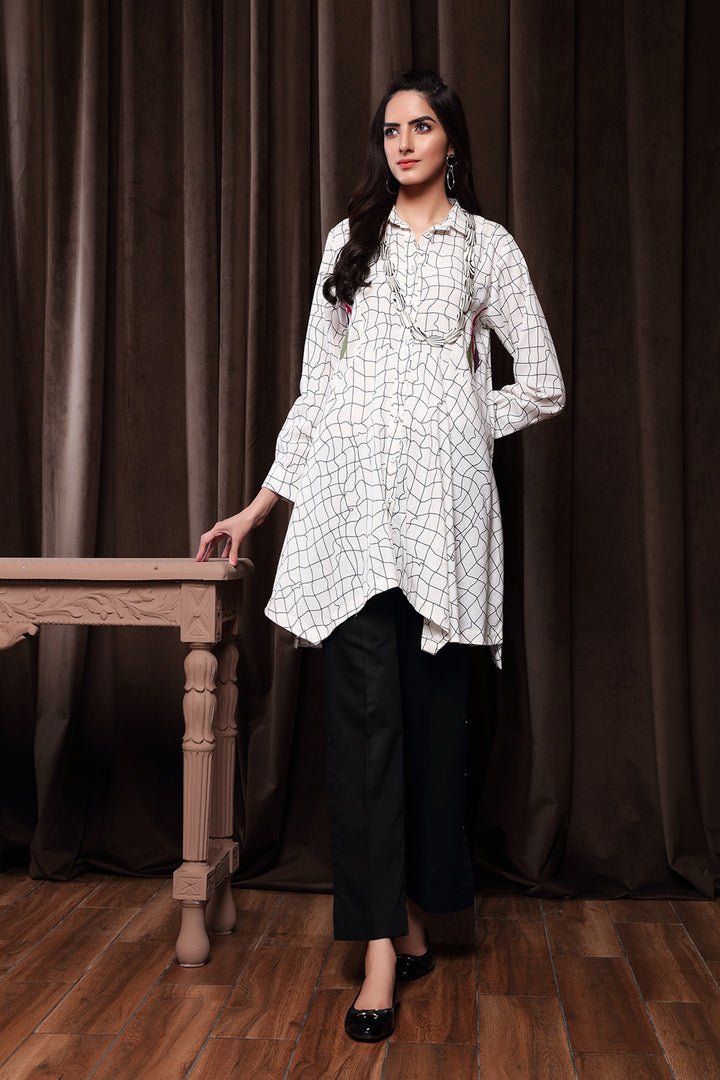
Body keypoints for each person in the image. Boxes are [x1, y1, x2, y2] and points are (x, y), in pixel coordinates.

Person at [197, 69, 565, 1041]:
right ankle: (376, 949)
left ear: (451, 141)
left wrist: (463, 423)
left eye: (422, 125)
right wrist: (258, 510)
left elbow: (545, 383)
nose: (404, 142)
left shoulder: (488, 248)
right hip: (351, 519)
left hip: (442, 523)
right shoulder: (347, 243)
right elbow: (317, 392)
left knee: (434, 728)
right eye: (392, 128)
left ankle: (415, 912)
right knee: (365, 729)